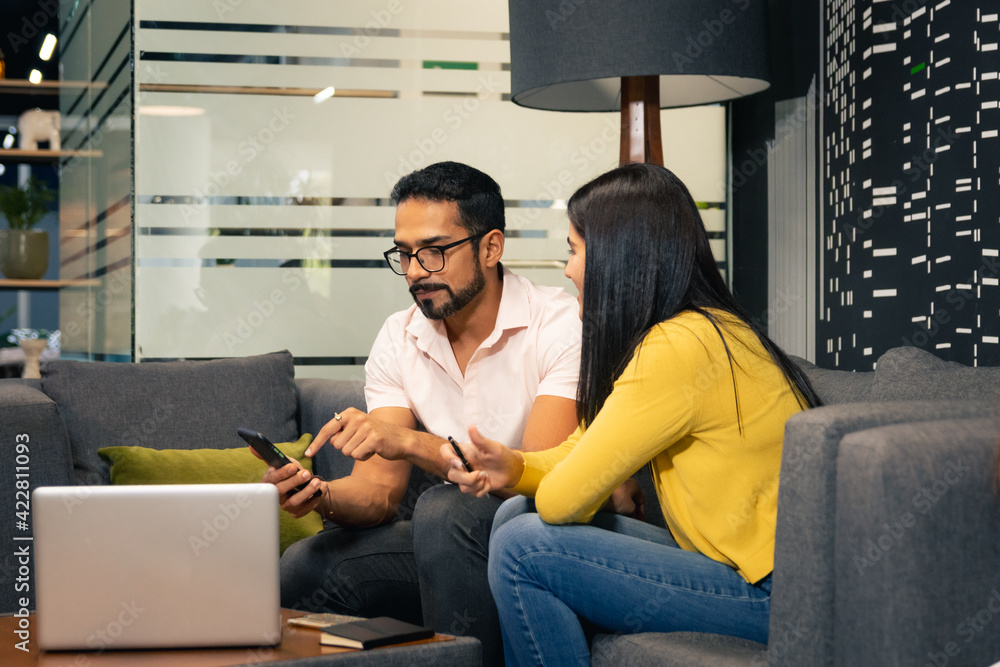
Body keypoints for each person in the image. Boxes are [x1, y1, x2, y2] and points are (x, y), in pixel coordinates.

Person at [441, 163, 822, 666]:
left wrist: (556, 482)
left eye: (574, 250)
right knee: (513, 513)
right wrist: (515, 467)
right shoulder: (701, 330)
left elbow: (560, 503)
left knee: (523, 546)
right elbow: (585, 445)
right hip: (744, 572)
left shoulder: (679, 347)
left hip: (780, 596)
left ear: (619, 255)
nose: (568, 269)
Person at [263, 161, 582, 664]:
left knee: (446, 509)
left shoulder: (559, 325)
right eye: (405, 254)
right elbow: (378, 492)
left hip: (539, 536)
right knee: (305, 566)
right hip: (445, 541)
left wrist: (412, 443)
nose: (414, 272)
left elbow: (540, 477)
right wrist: (320, 495)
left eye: (434, 252)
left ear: (491, 247)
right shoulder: (399, 336)